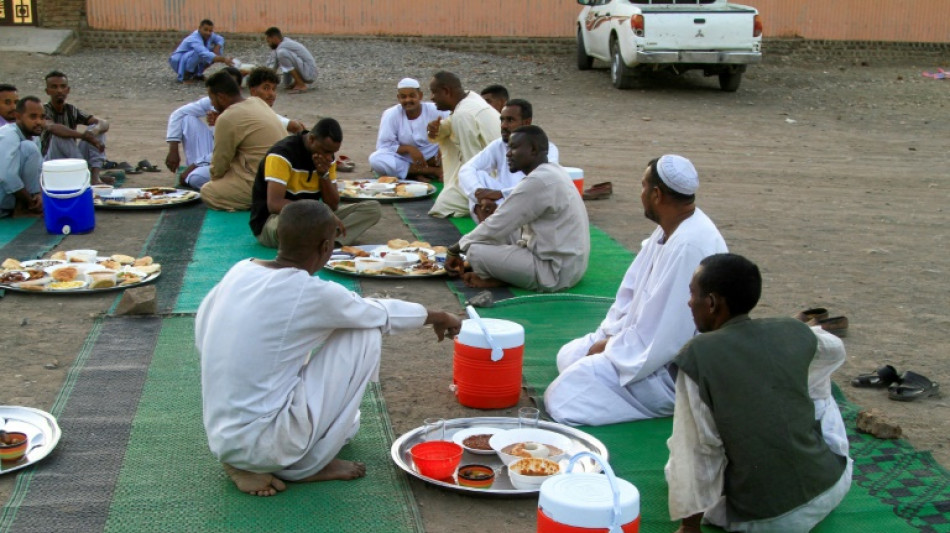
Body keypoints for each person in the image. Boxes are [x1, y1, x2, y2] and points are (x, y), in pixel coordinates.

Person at [197, 199, 461, 496]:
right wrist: (442, 316)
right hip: (266, 441)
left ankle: (243, 460)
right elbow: (381, 313)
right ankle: (309, 465)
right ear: (326, 247)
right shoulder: (307, 291)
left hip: (223, 436)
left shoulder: (240, 272)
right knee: (365, 331)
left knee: (347, 425)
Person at [666, 253, 852, 533]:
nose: (689, 302)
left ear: (713, 303)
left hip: (765, 521)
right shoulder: (793, 330)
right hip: (832, 486)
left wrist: (689, 526)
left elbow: (697, 450)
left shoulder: (697, 356)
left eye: (693, 294)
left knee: (679, 458)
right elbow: (835, 349)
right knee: (819, 390)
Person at [544, 154, 727, 426]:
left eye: (642, 186)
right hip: (635, 345)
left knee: (562, 396)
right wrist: (606, 336)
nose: (640, 193)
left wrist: (609, 349)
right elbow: (630, 294)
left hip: (668, 370)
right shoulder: (670, 229)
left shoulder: (689, 244)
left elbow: (665, 338)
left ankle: (663, 403)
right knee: (568, 355)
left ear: (656, 194)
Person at [445, 125, 588, 291]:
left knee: (475, 251)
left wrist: (455, 249)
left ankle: (502, 277)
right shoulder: (552, 171)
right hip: (571, 266)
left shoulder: (538, 182)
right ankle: (504, 272)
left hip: (554, 273)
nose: (508, 154)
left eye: (513, 148)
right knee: (499, 233)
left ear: (533, 150)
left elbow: (497, 224)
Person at [250, 118, 381, 248]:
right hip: (275, 221)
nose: (329, 157)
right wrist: (319, 213)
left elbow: (333, 205)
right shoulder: (281, 155)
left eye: (333, 153)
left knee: (372, 209)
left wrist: (323, 175)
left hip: (312, 218)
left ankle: (324, 242)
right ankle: (324, 240)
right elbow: (275, 204)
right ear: (311, 139)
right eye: (326, 151)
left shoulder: (327, 158)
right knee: (297, 226)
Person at [168, 67, 305, 188]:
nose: (272, 94)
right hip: (221, 158)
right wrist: (173, 149)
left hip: (249, 170)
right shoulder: (224, 105)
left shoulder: (256, 110)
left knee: (203, 184)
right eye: (266, 88)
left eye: (273, 89)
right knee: (187, 119)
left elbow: (293, 126)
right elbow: (179, 114)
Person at [458, 99, 560, 223]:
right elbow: (466, 169)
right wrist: (479, 194)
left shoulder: (546, 149)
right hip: (499, 204)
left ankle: (488, 233)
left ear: (526, 122)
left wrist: (502, 193)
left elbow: (541, 186)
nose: (503, 126)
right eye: (502, 120)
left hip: (527, 205)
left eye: (510, 120)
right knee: (476, 177)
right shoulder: (499, 145)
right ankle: (487, 230)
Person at [199, 71, 286, 211]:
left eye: (212, 99)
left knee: (208, 191)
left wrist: (218, 181)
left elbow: (219, 164)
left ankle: (259, 202)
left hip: (264, 184)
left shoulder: (226, 118)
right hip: (284, 179)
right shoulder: (257, 102)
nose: (212, 104)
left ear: (221, 97)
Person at [426, 71, 500, 218]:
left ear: (446, 91)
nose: (432, 98)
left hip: (493, 176)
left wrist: (477, 192)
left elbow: (473, 160)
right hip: (494, 167)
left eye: (434, 93)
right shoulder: (470, 98)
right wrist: (437, 129)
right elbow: (449, 125)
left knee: (442, 206)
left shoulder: (463, 114)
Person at [368, 77, 448, 181]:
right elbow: (384, 146)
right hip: (406, 158)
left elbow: (455, 126)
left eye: (412, 96)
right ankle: (432, 171)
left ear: (420, 96)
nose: (408, 100)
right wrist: (409, 149)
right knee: (376, 159)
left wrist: (442, 146)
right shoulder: (391, 114)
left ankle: (413, 173)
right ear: (398, 98)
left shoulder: (435, 109)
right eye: (403, 97)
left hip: (433, 154)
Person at [41, 71, 111, 185]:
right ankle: (84, 175)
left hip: (73, 158)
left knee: (96, 129)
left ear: (68, 90)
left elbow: (104, 123)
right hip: (51, 160)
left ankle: (95, 176)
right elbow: (53, 128)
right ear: (47, 91)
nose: (59, 90)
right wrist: (84, 136)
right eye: (54, 87)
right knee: (62, 135)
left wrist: (93, 132)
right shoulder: (43, 110)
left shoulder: (71, 110)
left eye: (62, 87)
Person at [0, 96, 45, 217]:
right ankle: (24, 208)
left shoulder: (34, 136)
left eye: (42, 117)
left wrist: (38, 195)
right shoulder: (8, 134)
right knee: (28, 148)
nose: (39, 122)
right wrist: (30, 202)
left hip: (8, 198)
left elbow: (38, 170)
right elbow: (6, 176)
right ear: (18, 117)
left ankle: (28, 204)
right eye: (33, 117)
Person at [264, 27, 317, 93]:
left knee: (282, 54)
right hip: (305, 70)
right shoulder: (282, 44)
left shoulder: (283, 46)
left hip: (310, 73)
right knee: (287, 84)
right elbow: (271, 66)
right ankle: (297, 82)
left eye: (269, 41)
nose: (269, 44)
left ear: (274, 38)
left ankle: (301, 85)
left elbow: (272, 67)